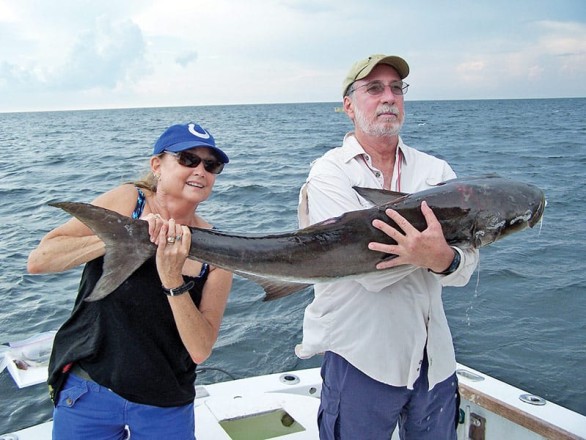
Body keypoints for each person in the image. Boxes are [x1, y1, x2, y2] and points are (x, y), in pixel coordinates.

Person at [296, 54, 480, 439]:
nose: (389, 97)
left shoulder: (436, 172)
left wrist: (444, 259)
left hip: (435, 362)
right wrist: (429, 255)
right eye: (374, 88)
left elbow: (464, 267)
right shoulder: (330, 173)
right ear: (349, 105)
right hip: (360, 358)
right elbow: (364, 270)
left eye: (397, 88)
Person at [27, 122, 233, 440]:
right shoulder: (128, 201)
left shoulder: (218, 249)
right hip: (89, 389)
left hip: (165, 403)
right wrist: (128, 237)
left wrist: (171, 277)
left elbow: (200, 349)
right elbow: (39, 260)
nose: (200, 170)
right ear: (157, 165)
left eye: (211, 164)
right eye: (188, 159)